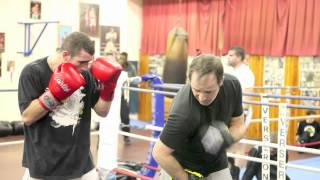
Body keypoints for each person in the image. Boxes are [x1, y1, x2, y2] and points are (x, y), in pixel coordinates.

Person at [18, 32, 122, 179]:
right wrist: (55, 94)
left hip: (82, 165)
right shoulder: (33, 72)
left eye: (89, 62)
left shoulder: (85, 75)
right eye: (81, 62)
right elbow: (27, 117)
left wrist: (109, 87)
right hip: (44, 165)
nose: (86, 68)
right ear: (65, 55)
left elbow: (102, 111)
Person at [152, 54, 246, 180]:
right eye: (196, 90)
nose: (202, 97)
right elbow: (159, 153)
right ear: (189, 81)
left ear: (221, 81)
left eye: (208, 91)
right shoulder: (183, 112)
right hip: (179, 166)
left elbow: (238, 125)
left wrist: (227, 138)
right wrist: (187, 178)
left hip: (216, 165)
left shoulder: (232, 86)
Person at [227, 46, 255, 127]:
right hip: (229, 109)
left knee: (235, 137)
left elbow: (248, 95)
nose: (228, 58)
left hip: (239, 112)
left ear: (238, 57)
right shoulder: (231, 72)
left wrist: (244, 114)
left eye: (231, 55)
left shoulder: (247, 73)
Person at [118, 52, 137, 145]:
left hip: (124, 96)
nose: (121, 59)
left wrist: (128, 79)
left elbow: (134, 79)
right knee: (107, 117)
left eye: (123, 58)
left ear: (126, 59)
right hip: (113, 96)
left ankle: (126, 137)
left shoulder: (131, 67)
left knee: (125, 117)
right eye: (120, 58)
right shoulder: (115, 66)